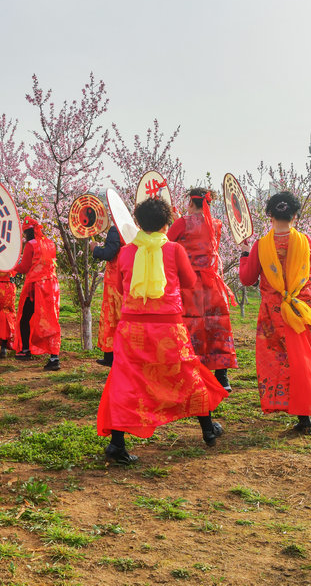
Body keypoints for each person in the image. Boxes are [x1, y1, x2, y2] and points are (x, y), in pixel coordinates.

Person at [96, 198, 229, 464]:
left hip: (132, 327)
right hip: (168, 326)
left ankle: (116, 443)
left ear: (138, 223)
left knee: (125, 381)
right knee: (187, 372)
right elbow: (190, 282)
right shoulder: (174, 250)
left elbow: (123, 289)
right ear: (167, 223)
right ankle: (207, 430)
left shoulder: (126, 252)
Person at [238, 191, 311, 433]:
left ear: (269, 215)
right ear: (295, 215)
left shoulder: (261, 245)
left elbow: (247, 279)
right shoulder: (305, 241)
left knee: (280, 361)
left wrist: (245, 255)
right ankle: (305, 413)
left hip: (274, 314)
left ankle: (287, 405)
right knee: (303, 359)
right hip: (301, 310)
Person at [168, 189, 238, 391]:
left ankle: (193, 371)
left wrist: (176, 221)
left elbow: (169, 242)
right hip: (213, 282)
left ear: (190, 202)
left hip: (190, 282)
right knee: (218, 325)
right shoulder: (216, 224)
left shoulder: (181, 223)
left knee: (191, 325)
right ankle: (222, 376)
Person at [12, 217, 61, 371]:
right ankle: (53, 355)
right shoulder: (50, 243)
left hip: (36, 287)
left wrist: (12, 265)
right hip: (52, 286)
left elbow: (25, 267)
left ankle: (26, 350)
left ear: (27, 233)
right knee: (51, 319)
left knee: (25, 317)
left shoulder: (31, 245)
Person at [90, 225, 123, 367]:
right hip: (124, 276)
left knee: (111, 317)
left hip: (114, 280)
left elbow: (109, 253)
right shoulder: (133, 228)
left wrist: (95, 249)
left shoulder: (115, 229)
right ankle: (112, 355)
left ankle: (110, 355)